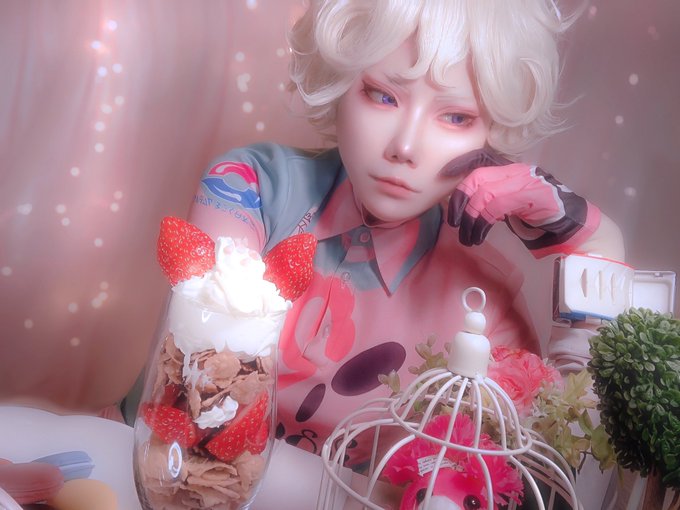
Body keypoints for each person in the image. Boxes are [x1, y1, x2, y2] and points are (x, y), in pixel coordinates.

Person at [188, 0, 624, 472]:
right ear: (340, 81)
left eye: (456, 117)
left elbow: (558, 447)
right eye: (382, 95)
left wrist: (595, 242)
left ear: (489, 137)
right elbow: (199, 397)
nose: (406, 146)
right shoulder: (248, 189)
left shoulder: (485, 303)